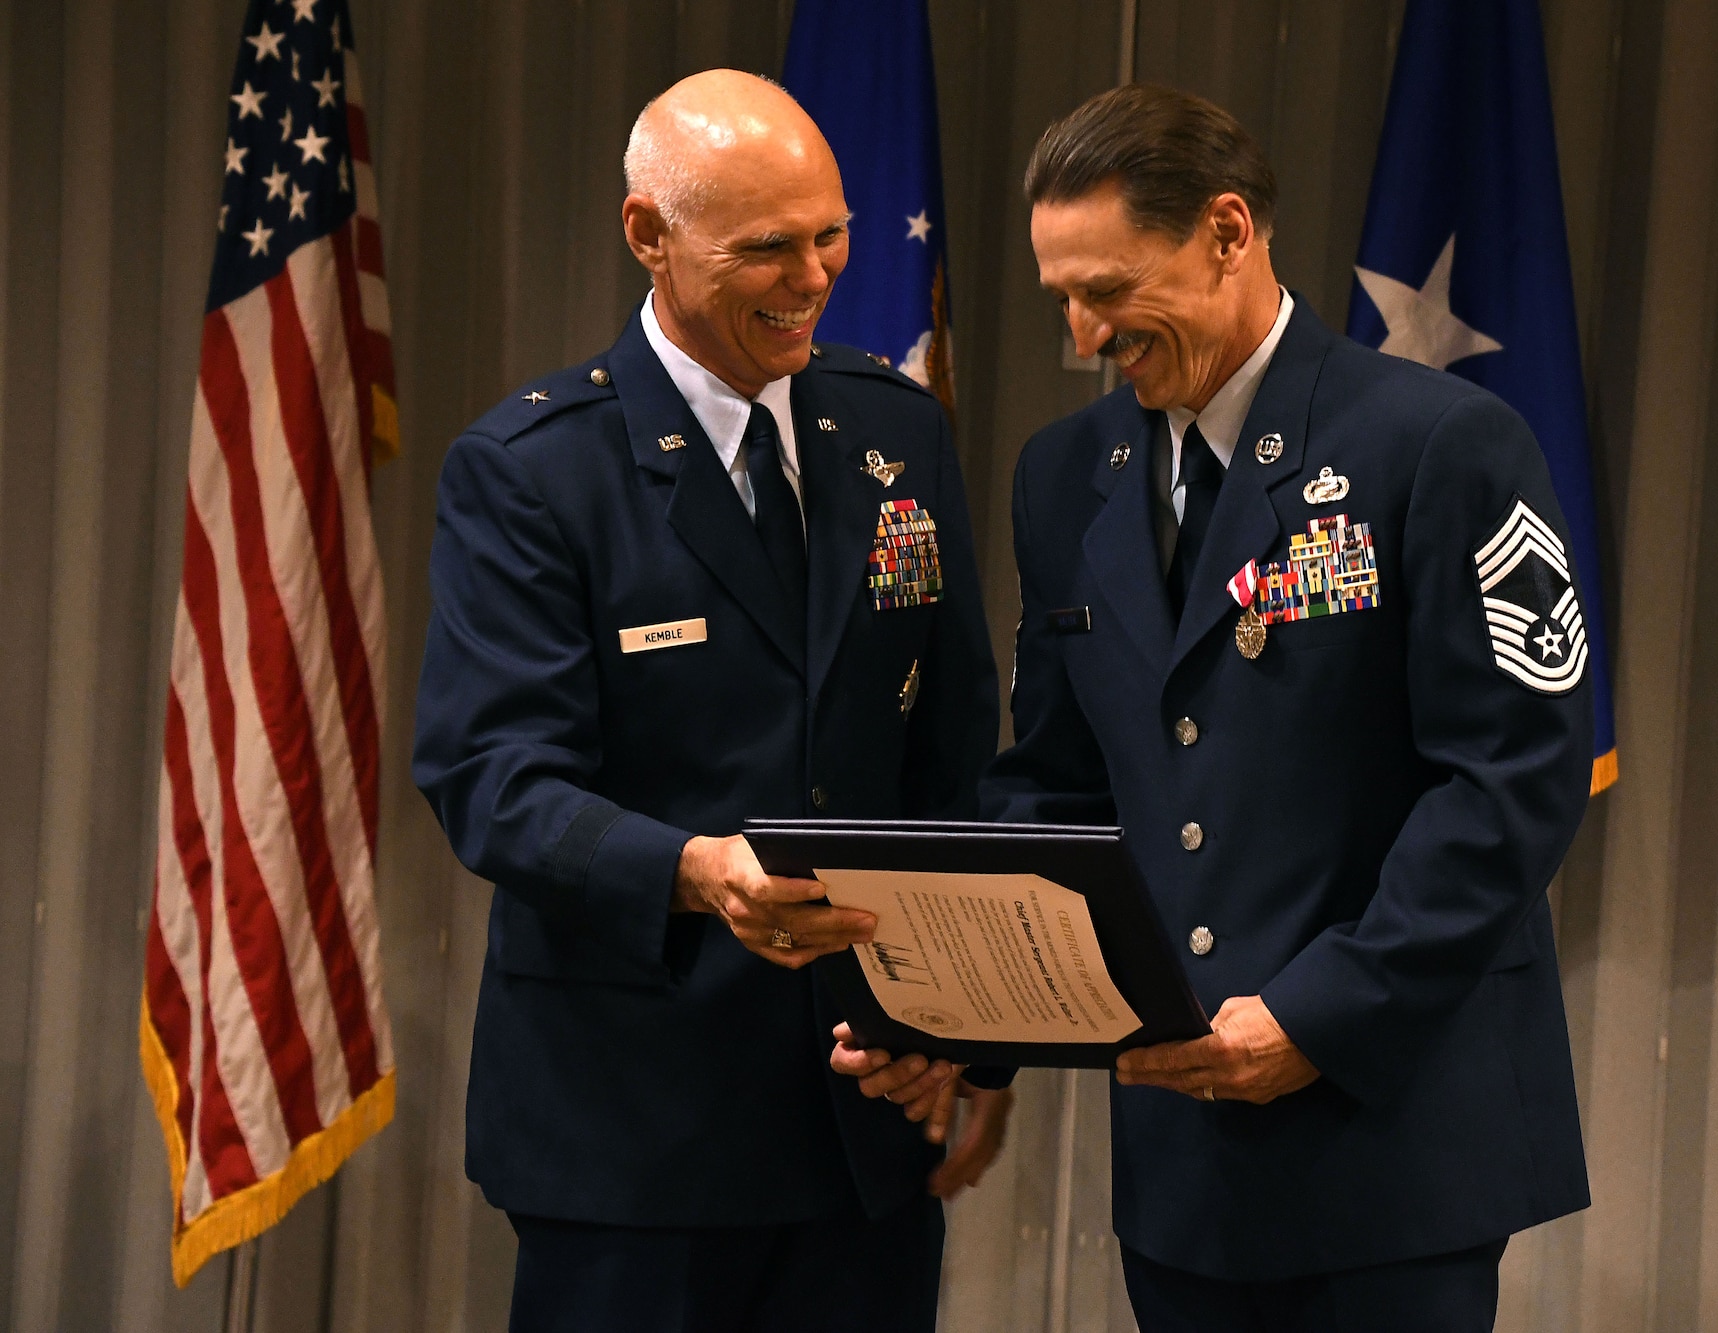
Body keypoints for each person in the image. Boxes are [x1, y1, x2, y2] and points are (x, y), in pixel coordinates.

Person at [835, 83, 1594, 1331]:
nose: (1083, 331)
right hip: (1184, 1156)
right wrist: (948, 1017)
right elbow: (1059, 784)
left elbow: (1511, 779)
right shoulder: (1065, 473)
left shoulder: (1439, 443)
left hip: (1390, 1135)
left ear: (1227, 232)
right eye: (1059, 297)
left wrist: (1315, 1014)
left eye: (1109, 287)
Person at [413, 69, 1010, 1333]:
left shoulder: (897, 429)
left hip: (863, 1124)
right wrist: (697, 869)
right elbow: (490, 780)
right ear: (648, 236)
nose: (813, 278)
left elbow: (950, 749)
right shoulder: (534, 472)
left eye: (830, 234)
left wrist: (959, 1029)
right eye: (766, 249)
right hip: (635, 1136)